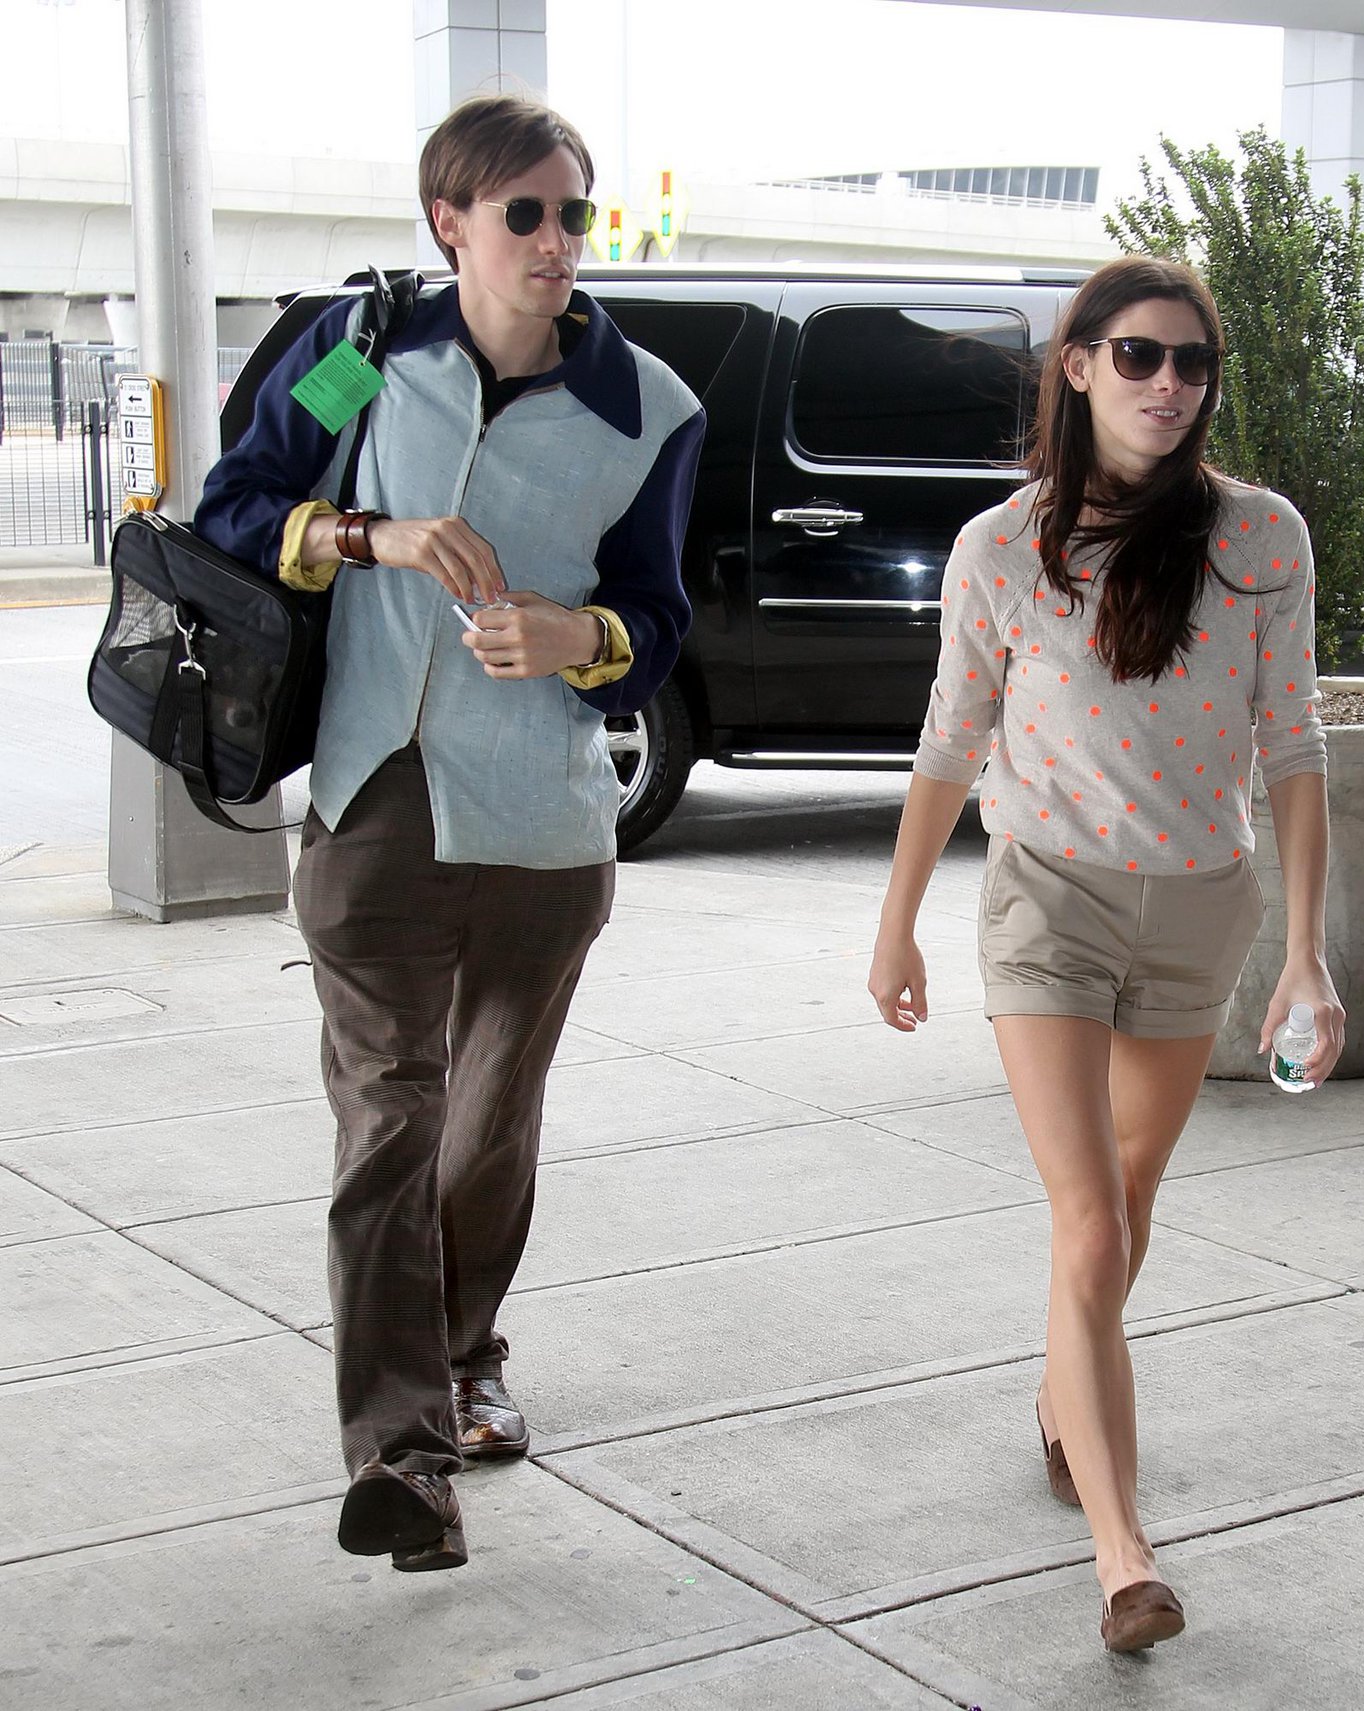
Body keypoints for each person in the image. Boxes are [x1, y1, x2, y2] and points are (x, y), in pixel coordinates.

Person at [195, 95, 704, 1572]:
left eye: (572, 216)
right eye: (524, 214)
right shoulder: (365, 360)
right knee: (387, 1125)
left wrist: (580, 634)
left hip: (545, 826)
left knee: (486, 1128)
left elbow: (659, 622)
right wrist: (376, 537)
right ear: (451, 222)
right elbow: (239, 512)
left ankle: (470, 1347)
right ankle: (404, 1458)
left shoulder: (645, 409)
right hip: (371, 798)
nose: (555, 243)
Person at [867, 257, 1344, 1650]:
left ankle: (1060, 1389)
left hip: (1202, 904)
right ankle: (1123, 1555)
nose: (1168, 385)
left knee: (1127, 1206)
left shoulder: (1263, 538)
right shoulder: (1001, 549)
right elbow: (950, 746)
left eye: (1192, 365)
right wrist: (896, 922)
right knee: (1089, 1220)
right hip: (1050, 907)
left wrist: (1308, 956)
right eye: (1138, 355)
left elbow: (1295, 752)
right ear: (1077, 366)